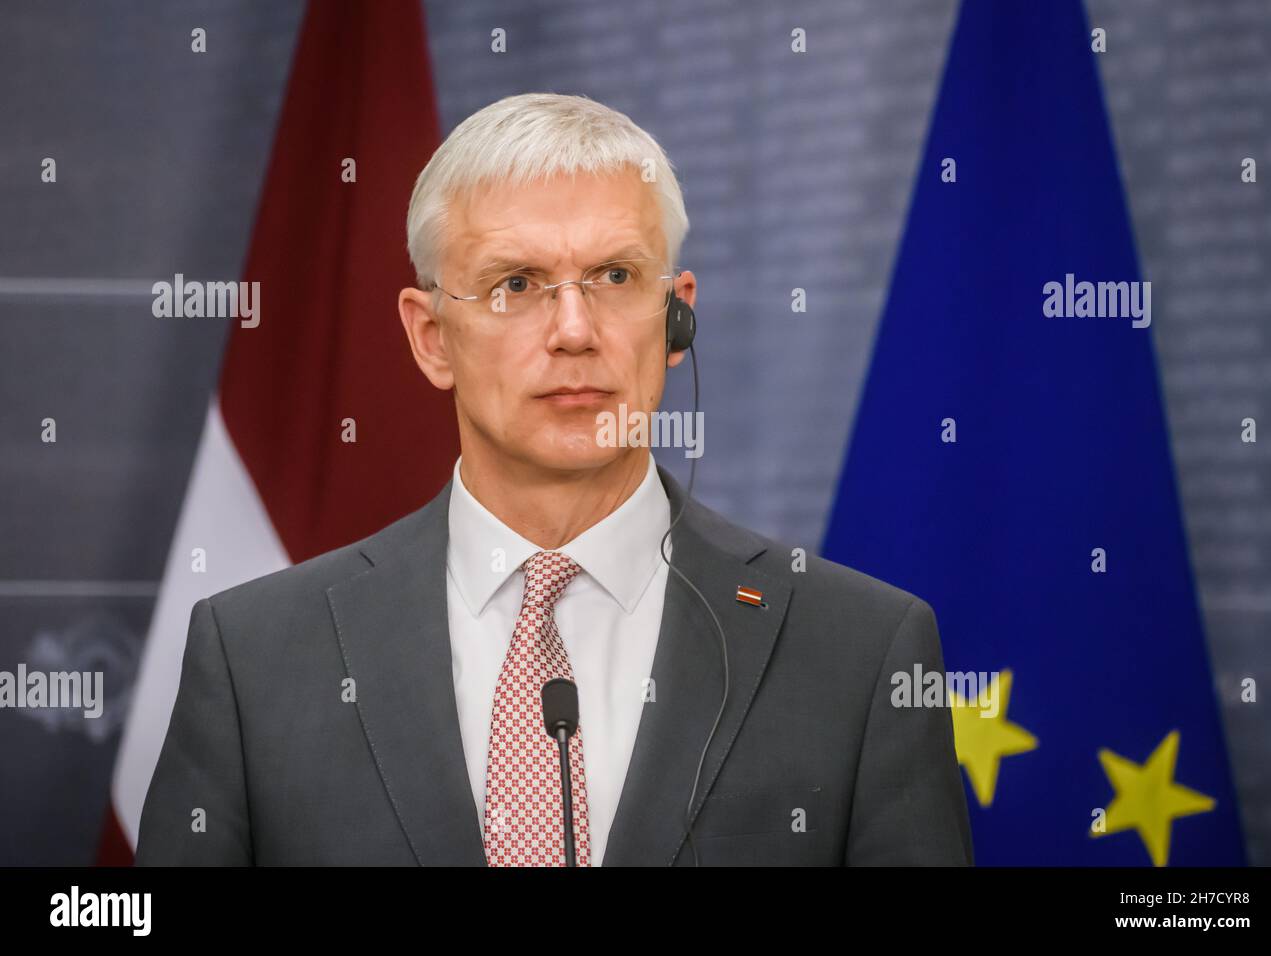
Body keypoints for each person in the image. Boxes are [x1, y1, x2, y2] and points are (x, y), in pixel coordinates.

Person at [136, 92, 973, 866]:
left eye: (615, 277)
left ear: (677, 318)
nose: (574, 331)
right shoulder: (255, 659)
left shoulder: (860, 651)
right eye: (516, 285)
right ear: (430, 337)